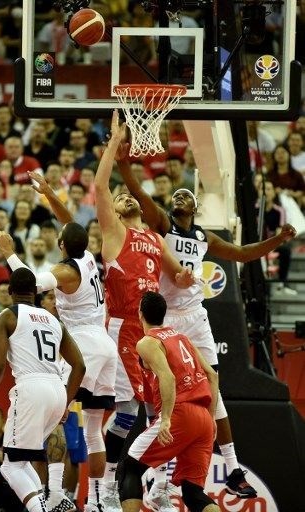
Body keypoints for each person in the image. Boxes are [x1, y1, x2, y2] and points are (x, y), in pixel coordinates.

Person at [117, 144, 297, 500]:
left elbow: (243, 254)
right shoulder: (163, 223)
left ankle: (231, 468)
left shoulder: (204, 237)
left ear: (196, 208)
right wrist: (124, 164)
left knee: (211, 391)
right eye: (178, 194)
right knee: (162, 391)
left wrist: (277, 239)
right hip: (165, 318)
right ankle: (161, 475)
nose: (181, 195)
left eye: (188, 194)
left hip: (197, 318)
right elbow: (139, 192)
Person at [93, 111, 195, 510]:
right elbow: (100, 185)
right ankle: (106, 489)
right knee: (125, 414)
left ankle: (160, 487)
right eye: (120, 197)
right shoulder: (115, 232)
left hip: (155, 331)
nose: (125, 195)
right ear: (114, 213)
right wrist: (116, 143)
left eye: (127, 194)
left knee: (163, 411)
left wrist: (187, 275)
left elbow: (178, 274)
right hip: (122, 329)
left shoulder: (153, 236)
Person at [0, 212, 118, 512]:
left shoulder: (65, 271)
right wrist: (50, 193)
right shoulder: (88, 255)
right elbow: (70, 222)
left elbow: (30, 283)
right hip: (105, 342)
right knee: (91, 428)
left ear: (61, 244)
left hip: (83, 342)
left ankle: (55, 492)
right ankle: (99, 500)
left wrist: (10, 253)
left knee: (58, 415)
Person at [0, 267, 85, 512]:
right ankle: (46, 502)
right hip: (57, 389)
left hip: (31, 387)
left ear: (11, 292)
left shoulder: (4, 316)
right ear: (35, 292)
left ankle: (40, 509)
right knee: (21, 462)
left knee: (9, 466)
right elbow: (79, 365)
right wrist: (65, 402)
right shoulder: (55, 321)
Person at [119, 291, 220, 512]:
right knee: (193, 493)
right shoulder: (182, 338)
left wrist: (164, 419)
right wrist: (211, 419)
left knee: (131, 468)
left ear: (140, 313)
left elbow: (168, 377)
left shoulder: (148, 342)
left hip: (180, 413)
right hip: (203, 417)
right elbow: (212, 375)